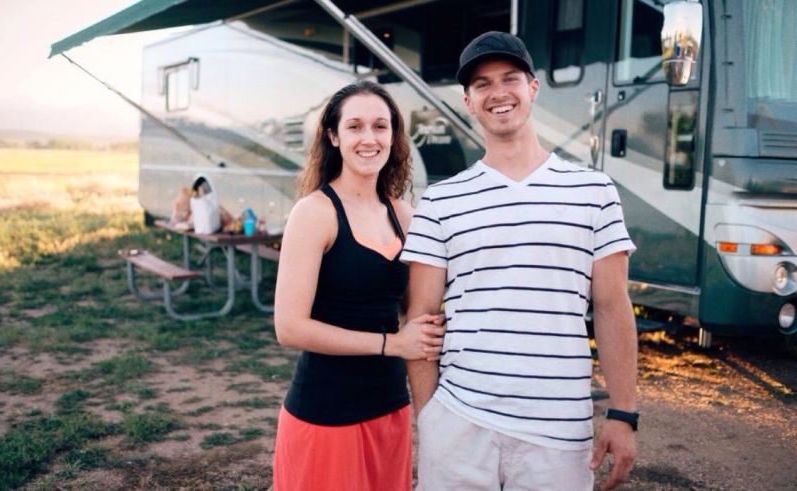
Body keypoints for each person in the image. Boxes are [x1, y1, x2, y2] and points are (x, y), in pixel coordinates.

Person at [401, 31, 638, 490]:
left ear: (532, 88)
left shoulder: (594, 192)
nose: (498, 93)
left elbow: (612, 306)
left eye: (509, 78)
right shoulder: (440, 201)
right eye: (482, 85)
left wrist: (624, 412)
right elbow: (422, 317)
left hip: (558, 429)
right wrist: (431, 416)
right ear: (469, 102)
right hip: (459, 422)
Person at [272, 80, 445, 491]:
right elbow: (289, 327)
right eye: (355, 127)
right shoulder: (314, 213)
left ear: (393, 136)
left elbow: (419, 308)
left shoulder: (404, 215)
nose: (369, 138)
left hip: (390, 408)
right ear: (333, 136)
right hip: (327, 413)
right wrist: (392, 344)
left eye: (380, 126)